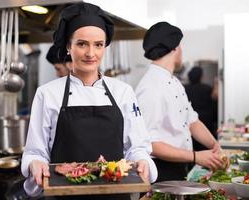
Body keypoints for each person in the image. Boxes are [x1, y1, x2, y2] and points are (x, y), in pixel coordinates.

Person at [21, 2, 157, 199]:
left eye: (98, 45)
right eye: (82, 43)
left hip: (115, 196)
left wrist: (142, 160)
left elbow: (136, 147)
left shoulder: (123, 92)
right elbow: (35, 152)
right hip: (64, 195)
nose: (91, 53)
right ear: (68, 46)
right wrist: (35, 163)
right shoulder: (47, 94)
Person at [135, 22, 224, 182]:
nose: (182, 50)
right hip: (161, 171)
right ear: (174, 47)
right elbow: (150, 143)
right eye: (180, 45)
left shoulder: (174, 82)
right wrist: (196, 156)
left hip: (179, 166)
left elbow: (192, 121)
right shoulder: (150, 87)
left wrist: (215, 146)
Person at [184, 66, 218, 151]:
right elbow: (215, 98)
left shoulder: (184, 89)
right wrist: (216, 84)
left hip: (190, 128)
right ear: (201, 76)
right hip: (206, 125)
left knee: (194, 151)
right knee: (206, 152)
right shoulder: (207, 88)